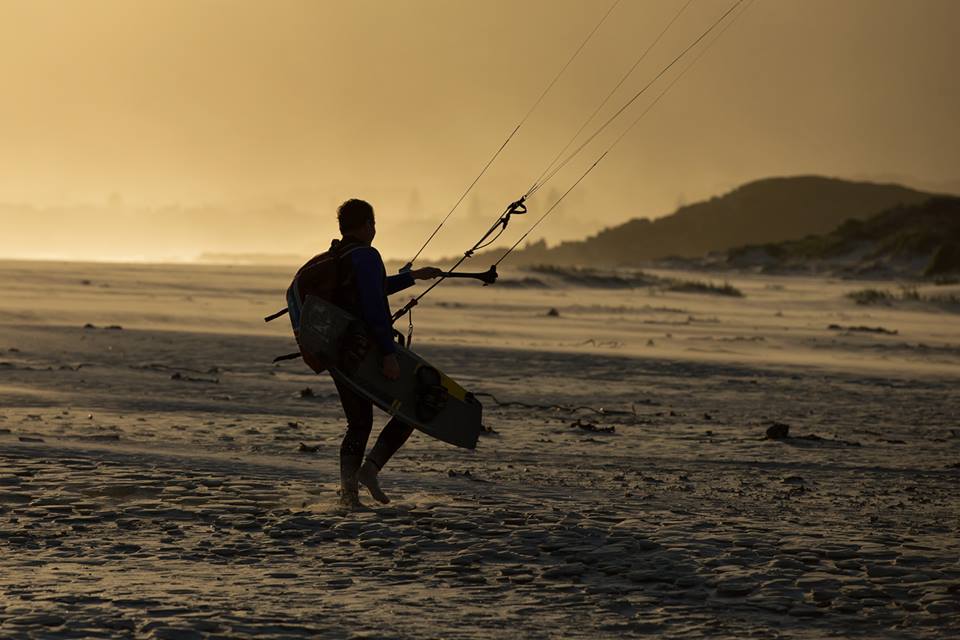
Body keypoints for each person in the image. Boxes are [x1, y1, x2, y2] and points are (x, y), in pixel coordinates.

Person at [327, 199, 441, 508]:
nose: (374, 229)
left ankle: (349, 494)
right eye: (373, 223)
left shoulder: (339, 255)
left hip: (337, 350)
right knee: (412, 408)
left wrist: (412, 276)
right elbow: (375, 307)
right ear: (367, 225)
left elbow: (372, 289)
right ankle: (369, 470)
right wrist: (388, 354)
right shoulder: (367, 255)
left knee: (359, 423)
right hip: (365, 352)